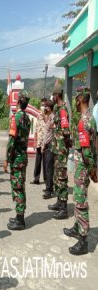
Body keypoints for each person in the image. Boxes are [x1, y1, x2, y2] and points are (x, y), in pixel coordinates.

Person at [63, 87, 97, 256]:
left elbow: (87, 151)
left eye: (76, 99)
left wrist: (92, 171)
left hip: (83, 169)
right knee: (77, 199)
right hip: (83, 168)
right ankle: (77, 227)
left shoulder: (84, 121)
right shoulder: (91, 118)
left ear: (80, 100)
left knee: (80, 201)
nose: (75, 102)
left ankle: (83, 240)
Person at [4, 90, 31, 230]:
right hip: (23, 157)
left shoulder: (16, 118)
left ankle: (20, 220)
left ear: (18, 101)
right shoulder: (27, 118)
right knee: (20, 185)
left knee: (18, 187)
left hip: (16, 159)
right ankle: (18, 215)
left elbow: (11, 141)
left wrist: (7, 159)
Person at [48, 83, 71, 219]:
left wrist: (65, 147)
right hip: (57, 149)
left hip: (61, 150)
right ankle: (59, 201)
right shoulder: (57, 109)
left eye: (54, 95)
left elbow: (66, 131)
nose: (53, 97)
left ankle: (64, 208)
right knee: (57, 177)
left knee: (62, 177)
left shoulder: (62, 110)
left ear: (57, 95)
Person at [30, 98, 46, 184]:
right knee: (38, 161)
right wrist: (35, 141)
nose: (42, 107)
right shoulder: (38, 116)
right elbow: (36, 129)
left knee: (46, 162)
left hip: (46, 143)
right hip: (39, 142)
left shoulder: (48, 116)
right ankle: (36, 179)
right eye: (42, 105)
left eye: (44, 105)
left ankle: (46, 180)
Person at [42, 100, 55, 199]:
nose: (45, 108)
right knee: (47, 168)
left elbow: (49, 134)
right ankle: (49, 188)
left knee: (49, 168)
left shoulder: (52, 117)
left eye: (46, 106)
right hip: (47, 145)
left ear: (49, 107)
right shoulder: (49, 117)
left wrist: (44, 145)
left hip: (50, 145)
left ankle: (49, 190)